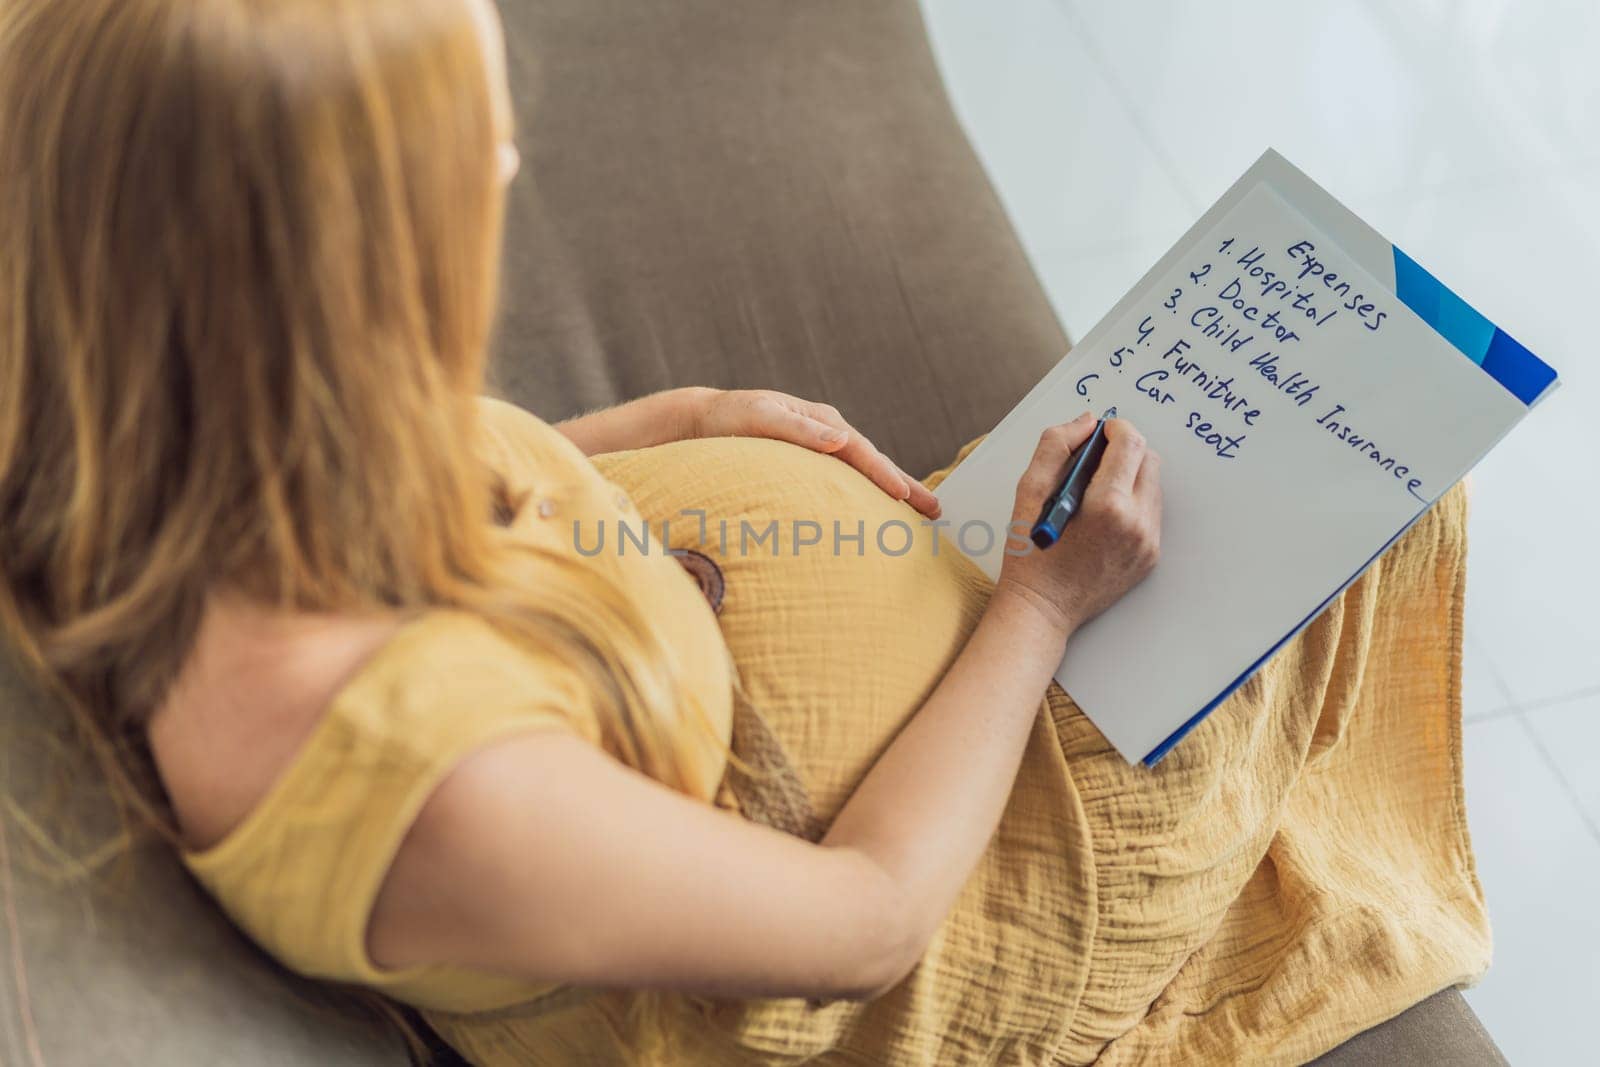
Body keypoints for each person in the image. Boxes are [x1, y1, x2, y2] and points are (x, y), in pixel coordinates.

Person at [0, 1, 1489, 1064]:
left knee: (1250, 414)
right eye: (474, 153)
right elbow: (864, 926)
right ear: (315, 270)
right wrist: (1037, 610)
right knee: (1390, 470)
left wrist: (672, 418)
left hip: (934, 657)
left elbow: (433, 472)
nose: (511, 168)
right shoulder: (426, 790)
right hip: (945, 894)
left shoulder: (151, 428)